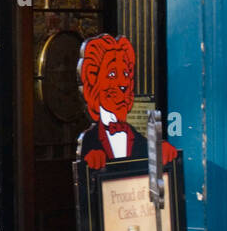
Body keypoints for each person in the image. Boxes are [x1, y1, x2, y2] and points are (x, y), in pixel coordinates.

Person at [76, 34, 177, 170]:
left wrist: (161, 151)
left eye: (125, 74)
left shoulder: (137, 137)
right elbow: (84, 184)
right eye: (112, 74)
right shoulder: (89, 140)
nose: (123, 83)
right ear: (93, 80)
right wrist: (89, 163)